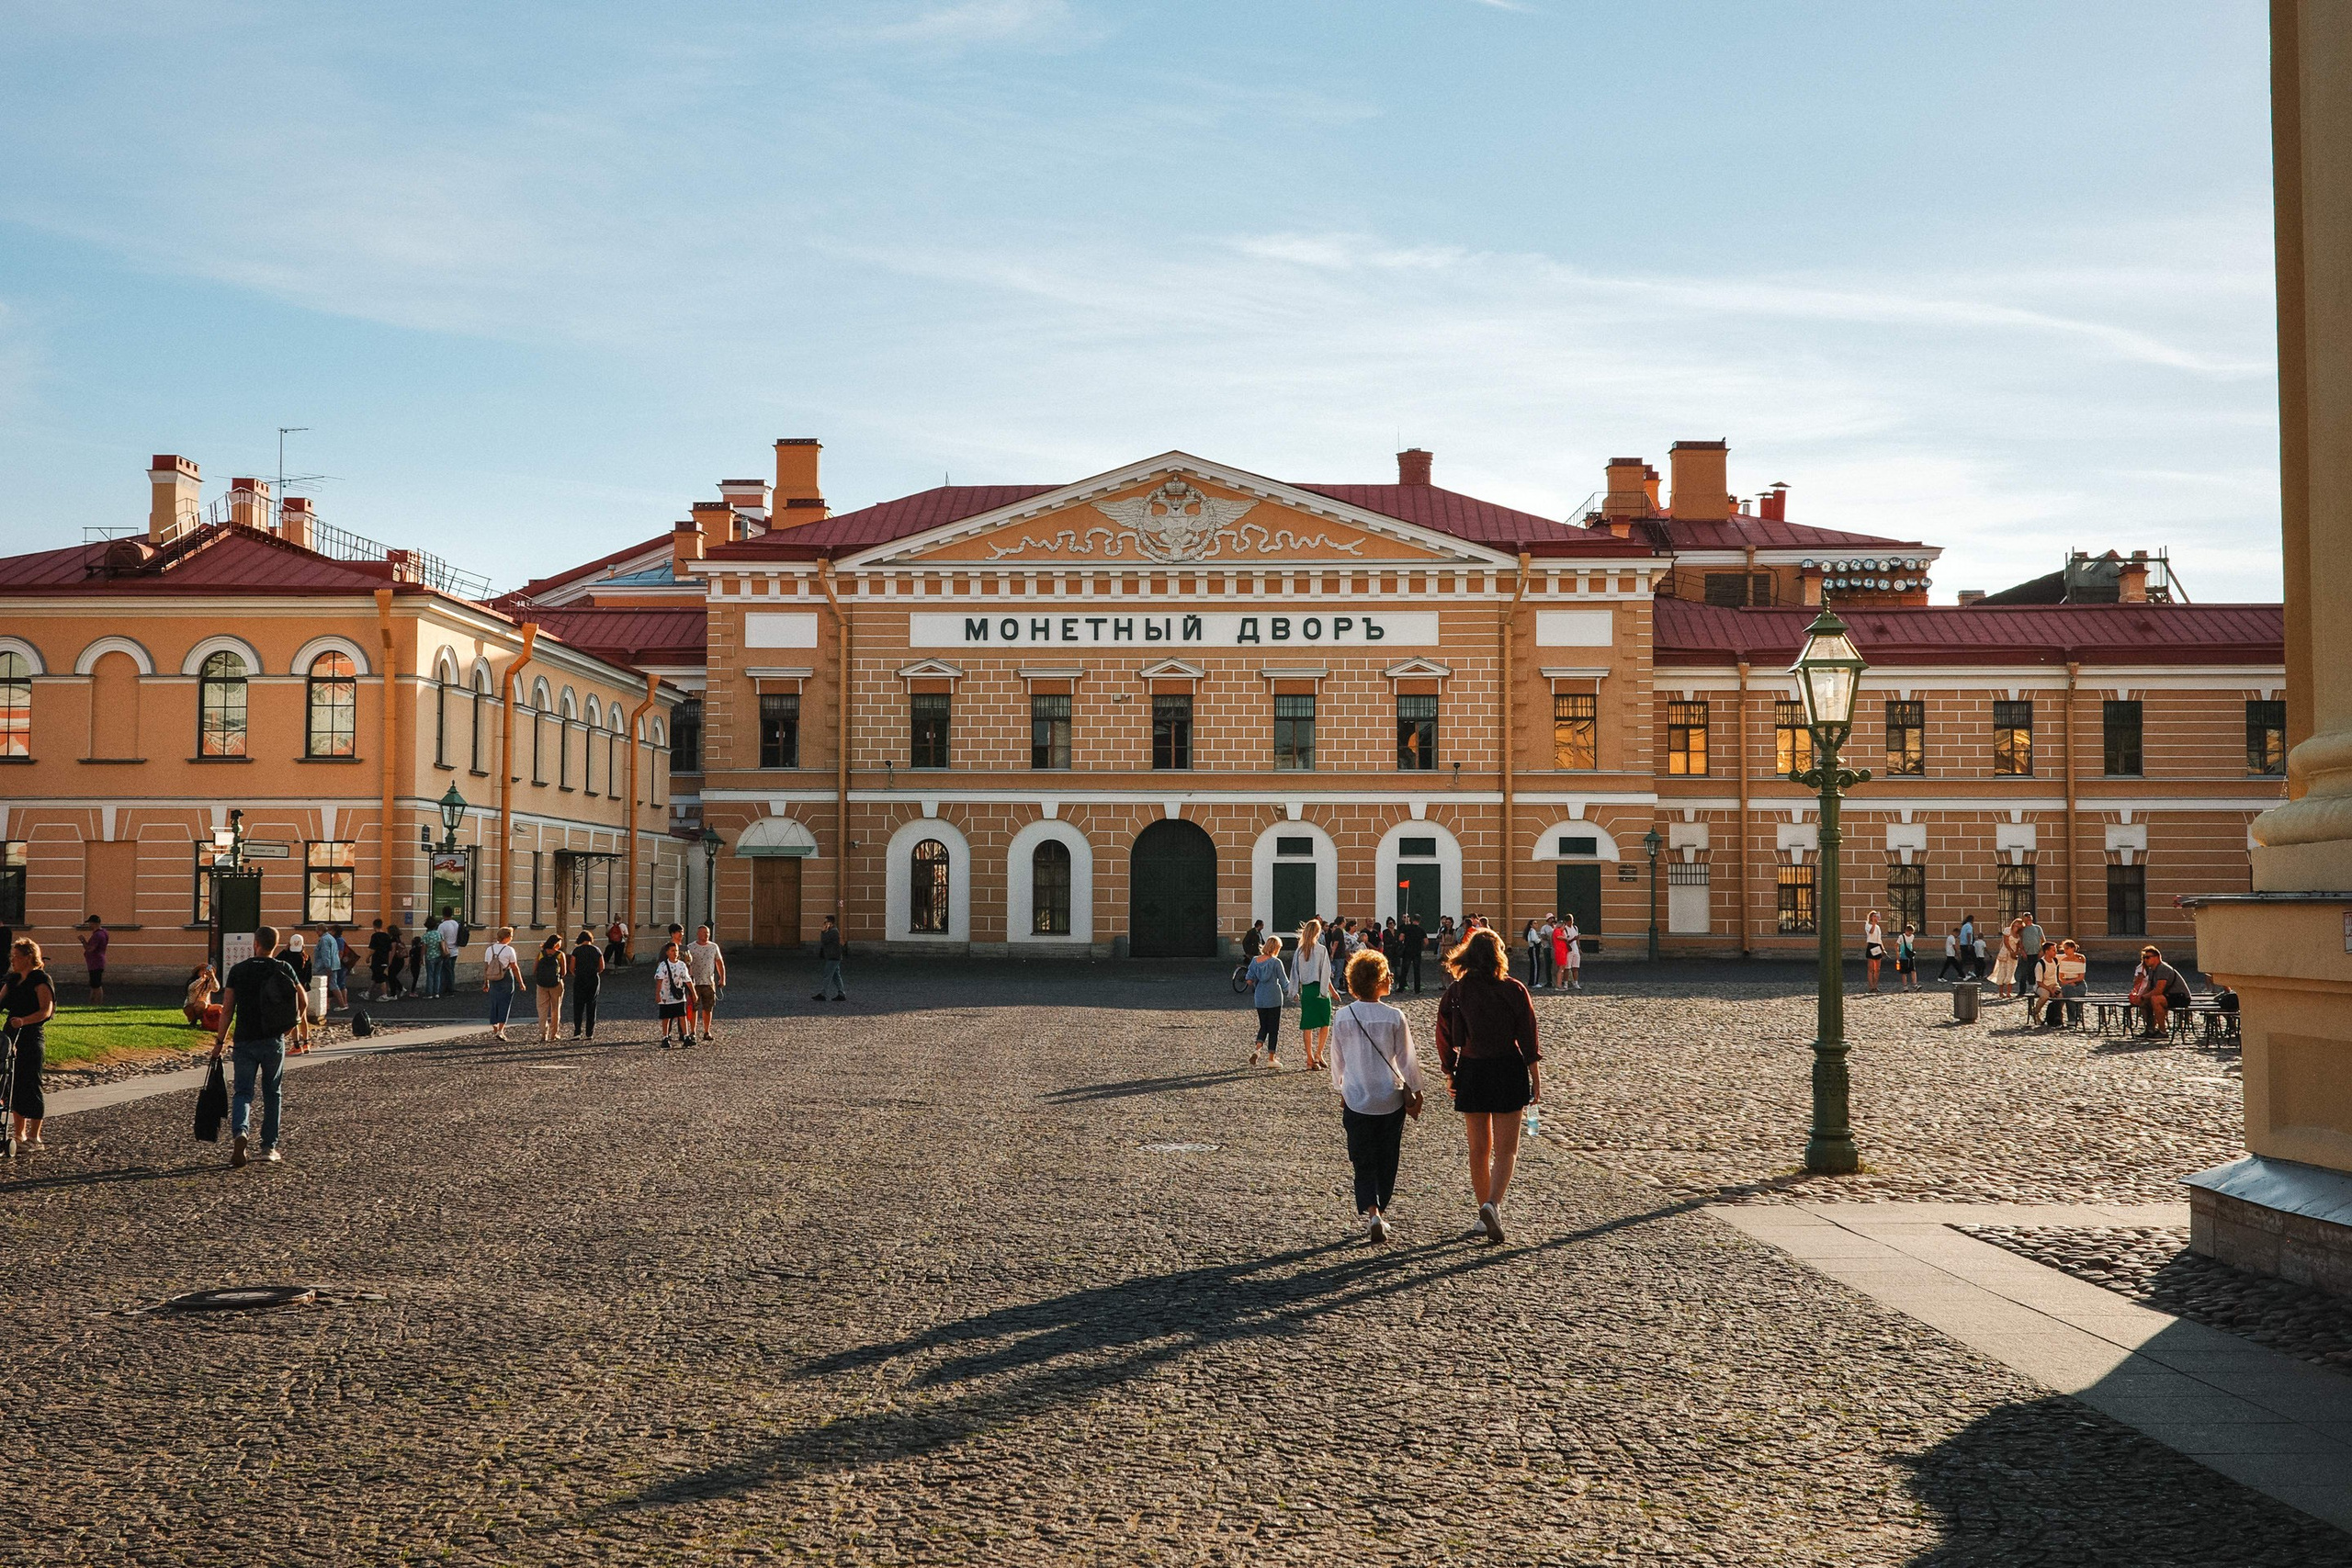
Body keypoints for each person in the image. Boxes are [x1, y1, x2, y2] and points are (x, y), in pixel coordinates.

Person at [1434, 927, 1542, 1245]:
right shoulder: (1515, 989)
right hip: (1508, 1068)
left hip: (1472, 1069)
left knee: (1478, 1149)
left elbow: (1443, 1035)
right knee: (1507, 1150)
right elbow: (1528, 1035)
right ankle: (1492, 1204)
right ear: (1499, 955)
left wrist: (1449, 1072)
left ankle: (1483, 1211)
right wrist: (1535, 1078)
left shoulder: (1457, 991)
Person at [1329, 948, 1426, 1245]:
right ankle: (1380, 1211)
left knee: (1362, 1160)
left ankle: (1373, 1213)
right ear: (1380, 980)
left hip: (1357, 1098)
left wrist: (1341, 1088)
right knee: (1387, 1158)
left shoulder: (1343, 1016)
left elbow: (1337, 1061)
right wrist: (1417, 1092)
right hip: (1389, 1099)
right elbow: (1407, 1060)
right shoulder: (1395, 1016)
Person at [213, 925, 305, 1167]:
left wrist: (220, 1042)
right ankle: (268, 1147)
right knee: (272, 1092)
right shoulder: (283, 967)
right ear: (275, 945)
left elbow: (227, 1008)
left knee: (243, 1092)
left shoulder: (238, 970)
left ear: (255, 944)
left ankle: (240, 1133)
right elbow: (302, 999)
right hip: (273, 1039)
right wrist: (291, 1026)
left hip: (244, 1039)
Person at [5, 939, 56, 1154]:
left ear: (27, 957)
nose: (13, 960)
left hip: (31, 1035)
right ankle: (19, 1133)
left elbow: (46, 1010)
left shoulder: (41, 980)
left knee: (31, 1083)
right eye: (12, 957)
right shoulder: (13, 980)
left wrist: (24, 1021)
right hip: (10, 1036)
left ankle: (35, 1137)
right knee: (12, 1083)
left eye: (16, 956)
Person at [1292, 919, 1333, 1071]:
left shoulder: (1300, 950)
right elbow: (1326, 972)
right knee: (1325, 1022)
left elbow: (1294, 972)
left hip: (1307, 991)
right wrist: (1326, 991)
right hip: (1319, 989)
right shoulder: (1321, 949)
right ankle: (1318, 1053)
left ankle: (1310, 1059)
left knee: (1307, 1026)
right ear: (1318, 932)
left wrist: (1294, 991)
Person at [1246, 936, 1294, 1067]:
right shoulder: (1276, 962)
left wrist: (1256, 980)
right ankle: (1271, 1059)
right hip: (1274, 997)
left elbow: (1249, 979)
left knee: (1263, 1026)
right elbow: (1284, 982)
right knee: (1273, 1029)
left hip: (1260, 997)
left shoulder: (1255, 961)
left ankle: (1257, 1049)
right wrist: (1294, 993)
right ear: (1276, 948)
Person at [2130, 945, 2193, 1038]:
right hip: (2168, 996)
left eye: (2148, 957)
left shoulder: (2163, 969)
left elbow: (2158, 990)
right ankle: (2150, 1029)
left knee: (2156, 1000)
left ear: (2157, 957)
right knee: (2144, 1002)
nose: (2145, 960)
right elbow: (2149, 988)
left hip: (2181, 997)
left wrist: (2144, 996)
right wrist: (2140, 997)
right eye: (2144, 958)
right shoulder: (2152, 970)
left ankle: (2162, 1031)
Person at [684, 923, 728, 1043]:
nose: (706, 935)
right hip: (694, 982)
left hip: (709, 982)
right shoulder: (690, 947)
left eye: (708, 933)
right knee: (693, 1007)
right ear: (698, 934)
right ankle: (693, 1031)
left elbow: (719, 963)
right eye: (704, 933)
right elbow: (685, 964)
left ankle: (707, 1031)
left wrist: (722, 978)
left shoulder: (713, 947)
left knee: (708, 1008)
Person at [481, 926, 523, 1043]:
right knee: (505, 1003)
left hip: (493, 978)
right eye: (511, 936)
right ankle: (501, 1030)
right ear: (507, 937)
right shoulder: (509, 950)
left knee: (495, 1002)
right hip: (506, 977)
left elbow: (486, 967)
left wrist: (486, 982)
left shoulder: (489, 949)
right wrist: (521, 982)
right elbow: (514, 967)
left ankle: (494, 1027)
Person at [655, 940, 695, 1046]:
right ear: (667, 952)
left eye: (676, 950)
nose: (675, 953)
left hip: (678, 995)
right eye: (672, 950)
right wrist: (658, 994)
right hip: (666, 996)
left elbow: (687, 980)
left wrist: (693, 993)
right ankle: (665, 1037)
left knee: (682, 1015)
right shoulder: (663, 965)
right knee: (666, 1017)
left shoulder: (681, 965)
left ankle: (686, 1036)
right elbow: (659, 980)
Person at [531, 933, 568, 1043]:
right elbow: (564, 972)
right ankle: (554, 1034)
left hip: (542, 984)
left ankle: (543, 1033)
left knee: (542, 1008)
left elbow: (534, 970)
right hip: (556, 984)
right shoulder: (560, 955)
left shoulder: (541, 954)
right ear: (556, 944)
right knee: (555, 1009)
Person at [569, 928, 605, 1039]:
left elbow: (572, 967)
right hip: (593, 979)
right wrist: (595, 972)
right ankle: (589, 1033)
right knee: (591, 1005)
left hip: (580, 979)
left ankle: (577, 1032)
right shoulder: (597, 950)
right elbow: (602, 967)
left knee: (578, 1005)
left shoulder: (577, 951)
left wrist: (577, 974)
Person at [2055, 940, 2090, 1026]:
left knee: (2069, 991)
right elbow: (2061, 977)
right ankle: (2075, 1013)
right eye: (2064, 949)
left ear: (2073, 948)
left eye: (2067, 948)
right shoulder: (2062, 959)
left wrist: (2071, 982)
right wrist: (2068, 983)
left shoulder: (2080, 959)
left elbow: (2081, 977)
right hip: (2067, 984)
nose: (2065, 951)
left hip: (2079, 984)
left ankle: (2073, 1017)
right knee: (2068, 990)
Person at [2030, 941, 2064, 1027]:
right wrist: (2050, 990)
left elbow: (2068, 955)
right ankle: (2036, 1012)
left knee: (2061, 996)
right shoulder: (2040, 964)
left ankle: (2057, 1016)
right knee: (2045, 995)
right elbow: (2039, 982)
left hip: (2054, 985)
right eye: (2053, 950)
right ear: (2047, 951)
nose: (2055, 952)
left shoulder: (2055, 960)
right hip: (2042, 986)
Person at [814, 915, 847, 1001]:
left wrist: (823, 931)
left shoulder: (833, 931)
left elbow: (824, 940)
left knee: (827, 975)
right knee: (836, 976)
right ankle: (841, 994)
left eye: (825, 922)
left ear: (830, 923)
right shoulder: (832, 931)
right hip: (834, 956)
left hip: (833, 957)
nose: (824, 924)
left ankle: (823, 994)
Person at [79, 916, 108, 1006]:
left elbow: (90, 949)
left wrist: (83, 941)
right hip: (96, 962)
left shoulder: (97, 935)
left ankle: (97, 1003)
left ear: (93, 923)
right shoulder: (104, 933)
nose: (89, 925)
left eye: (89, 923)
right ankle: (92, 1003)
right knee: (93, 984)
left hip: (95, 962)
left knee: (96, 985)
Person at [436, 908, 464, 998]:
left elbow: (440, 939)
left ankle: (449, 989)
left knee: (446, 971)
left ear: (443, 914)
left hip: (446, 951)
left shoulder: (442, 926)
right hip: (455, 950)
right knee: (450, 970)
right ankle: (450, 987)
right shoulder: (456, 924)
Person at [1990, 919, 2021, 998]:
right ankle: (2001, 992)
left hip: (2013, 955)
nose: (2017, 926)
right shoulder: (2008, 930)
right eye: (2016, 924)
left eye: (2019, 925)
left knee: (2010, 972)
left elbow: (2018, 944)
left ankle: (2008, 992)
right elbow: (2006, 942)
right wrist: (2011, 951)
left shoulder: (2019, 934)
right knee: (2002, 972)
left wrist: (2016, 952)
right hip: (2005, 953)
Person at [1396, 912, 1427, 995]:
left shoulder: (1406, 928)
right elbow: (1426, 942)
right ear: (1419, 921)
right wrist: (1422, 947)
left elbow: (1400, 938)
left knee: (1404, 970)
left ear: (1412, 919)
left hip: (1407, 951)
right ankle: (1417, 989)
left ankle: (1401, 988)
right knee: (1417, 971)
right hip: (1417, 952)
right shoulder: (1421, 930)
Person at [2018, 913, 2047, 998]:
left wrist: (2042, 951)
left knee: (2038, 973)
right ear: (2024, 919)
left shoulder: (2037, 928)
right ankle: (2021, 992)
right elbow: (2020, 942)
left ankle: (2038, 991)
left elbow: (2043, 940)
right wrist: (2022, 951)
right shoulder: (2022, 930)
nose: (2029, 920)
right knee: (2023, 974)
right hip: (2026, 954)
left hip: (2037, 954)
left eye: (2030, 918)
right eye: (2027, 918)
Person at [184, 963, 220, 1027]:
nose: (205, 972)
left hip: (206, 1006)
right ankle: (194, 1020)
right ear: (198, 972)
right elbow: (191, 988)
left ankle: (212, 1023)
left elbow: (216, 989)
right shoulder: (193, 981)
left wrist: (213, 977)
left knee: (220, 1007)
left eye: (206, 970)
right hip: (191, 1007)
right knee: (202, 1004)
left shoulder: (209, 982)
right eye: (202, 970)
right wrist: (202, 979)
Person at [417, 919, 445, 999]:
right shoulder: (438, 934)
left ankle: (429, 993)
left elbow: (424, 948)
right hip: (439, 956)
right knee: (437, 975)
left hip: (430, 957)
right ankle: (436, 993)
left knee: (430, 975)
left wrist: (421, 958)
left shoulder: (426, 935)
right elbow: (442, 944)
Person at [367, 919, 393, 1001]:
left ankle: (384, 995)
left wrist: (368, 957)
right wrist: (389, 961)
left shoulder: (375, 936)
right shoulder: (387, 936)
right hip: (384, 958)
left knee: (381, 977)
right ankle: (367, 993)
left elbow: (372, 949)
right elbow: (390, 949)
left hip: (377, 959)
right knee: (375, 976)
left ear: (374, 926)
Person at [1863, 909, 1884, 993]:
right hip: (1871, 945)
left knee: (1877, 968)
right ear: (1871, 917)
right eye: (1874, 916)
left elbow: (1879, 939)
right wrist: (1874, 924)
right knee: (1871, 968)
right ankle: (1871, 986)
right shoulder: (1868, 925)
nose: (1876, 917)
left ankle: (1876, 986)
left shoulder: (1878, 927)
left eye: (1876, 916)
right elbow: (1871, 932)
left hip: (1877, 946)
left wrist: (1883, 949)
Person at [1552, 918, 1575, 992]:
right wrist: (1565, 938)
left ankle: (1560, 984)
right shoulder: (1557, 930)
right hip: (1560, 952)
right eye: (1564, 926)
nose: (1564, 928)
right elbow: (1558, 937)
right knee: (1561, 969)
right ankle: (1559, 985)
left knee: (1562, 969)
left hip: (1563, 952)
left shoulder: (1560, 931)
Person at [1894, 924, 1919, 990]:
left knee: (1913, 970)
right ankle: (1905, 986)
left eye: (1911, 933)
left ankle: (1915, 984)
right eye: (1909, 933)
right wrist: (1897, 953)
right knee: (1904, 972)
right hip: (1903, 956)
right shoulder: (1901, 937)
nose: (1910, 934)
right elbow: (1896, 945)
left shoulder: (1912, 937)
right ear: (1906, 931)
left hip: (1910, 956)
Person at [1524, 919, 1546, 989]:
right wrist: (1540, 940)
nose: (1536, 924)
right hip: (1534, 949)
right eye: (1534, 923)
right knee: (1536, 966)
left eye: (1536, 923)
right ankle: (1534, 982)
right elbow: (1535, 940)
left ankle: (1532, 982)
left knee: (1534, 966)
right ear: (1531, 925)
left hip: (1534, 949)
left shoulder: (1532, 931)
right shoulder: (1532, 931)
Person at [405, 927, 426, 997]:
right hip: (417, 965)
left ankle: (412, 991)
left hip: (412, 965)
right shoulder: (420, 949)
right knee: (415, 979)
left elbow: (410, 958)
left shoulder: (412, 950)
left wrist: (408, 966)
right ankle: (412, 992)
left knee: (414, 978)